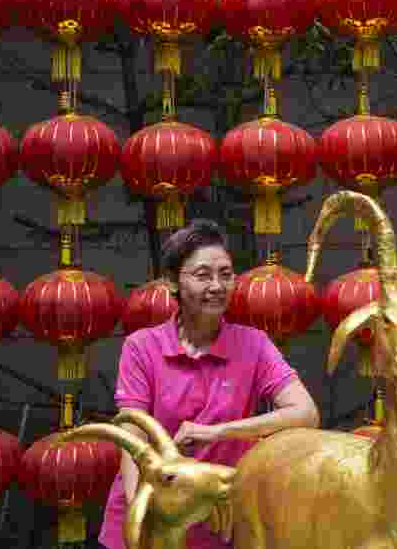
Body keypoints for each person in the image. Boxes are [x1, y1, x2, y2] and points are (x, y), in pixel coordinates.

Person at [99, 218, 321, 549]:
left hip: (221, 526)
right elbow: (133, 438)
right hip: (152, 524)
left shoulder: (253, 344)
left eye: (226, 274)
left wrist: (218, 432)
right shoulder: (142, 347)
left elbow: (305, 413)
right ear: (172, 281)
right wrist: (140, 516)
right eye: (203, 275)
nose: (217, 285)